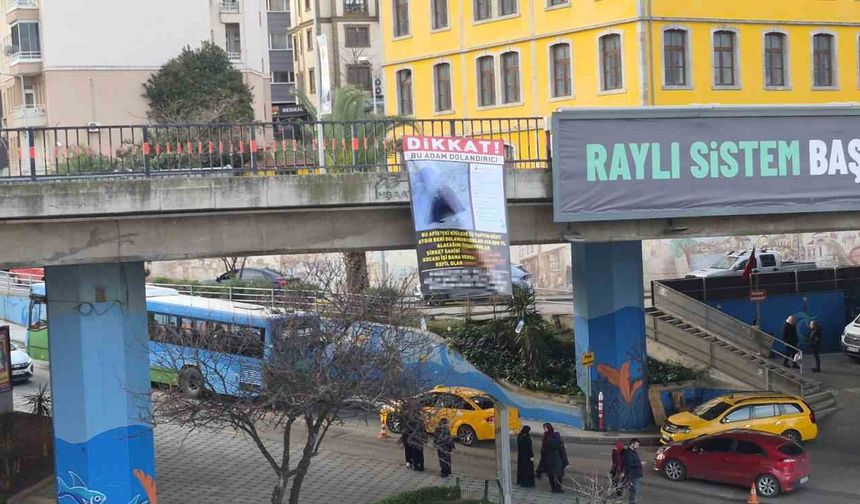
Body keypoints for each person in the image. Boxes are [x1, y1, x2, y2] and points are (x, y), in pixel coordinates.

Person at [622, 438, 643, 504]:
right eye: (636, 445)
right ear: (632, 444)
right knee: (634, 489)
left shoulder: (632, 451)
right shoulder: (628, 452)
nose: (638, 446)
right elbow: (630, 463)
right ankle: (632, 502)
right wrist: (640, 463)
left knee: (634, 489)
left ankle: (633, 501)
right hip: (633, 474)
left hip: (635, 474)